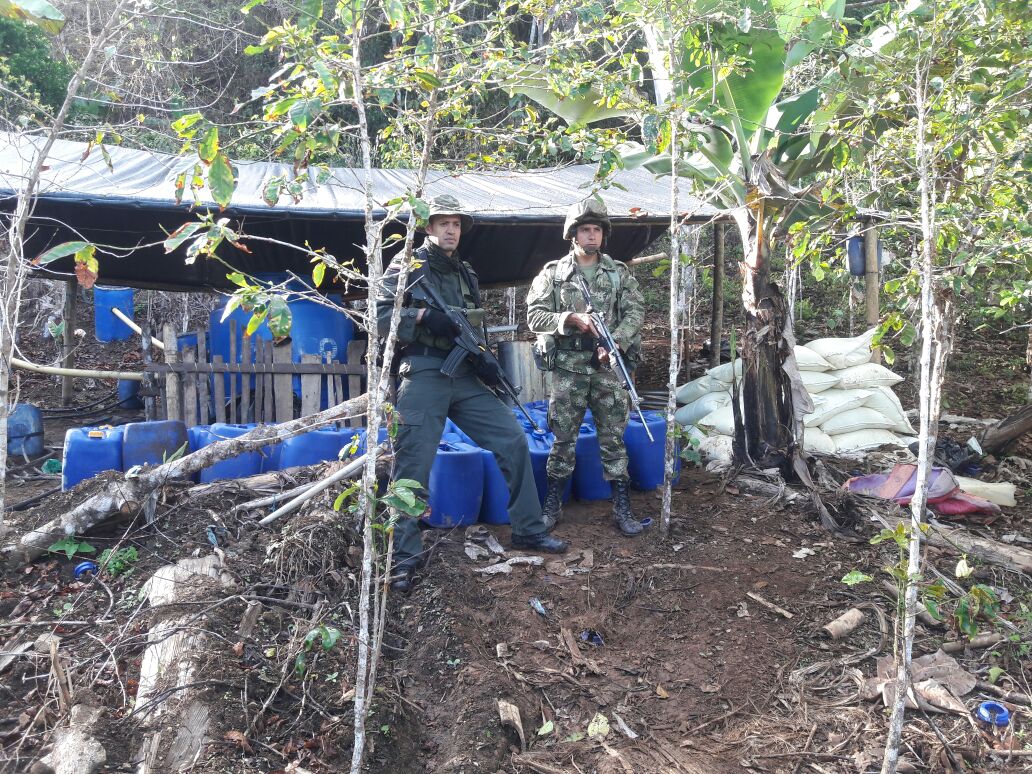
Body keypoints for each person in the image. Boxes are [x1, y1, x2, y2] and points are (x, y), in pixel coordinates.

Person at [377, 194, 568, 593]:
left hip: (464, 374)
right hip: (425, 371)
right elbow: (378, 317)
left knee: (513, 439)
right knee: (412, 464)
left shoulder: (465, 272)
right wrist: (424, 317)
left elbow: (472, 326)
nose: (451, 229)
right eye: (443, 222)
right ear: (427, 227)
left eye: (457, 223)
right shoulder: (407, 265)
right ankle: (404, 559)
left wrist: (484, 360)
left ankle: (528, 529)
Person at [526, 198, 647, 536]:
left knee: (614, 439)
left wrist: (617, 342)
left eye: (596, 230)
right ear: (573, 235)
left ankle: (622, 508)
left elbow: (636, 311)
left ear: (602, 235)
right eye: (585, 229)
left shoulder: (619, 273)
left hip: (608, 369)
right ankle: (552, 505)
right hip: (568, 370)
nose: (591, 235)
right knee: (562, 439)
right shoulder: (554, 274)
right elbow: (534, 316)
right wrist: (569, 318)